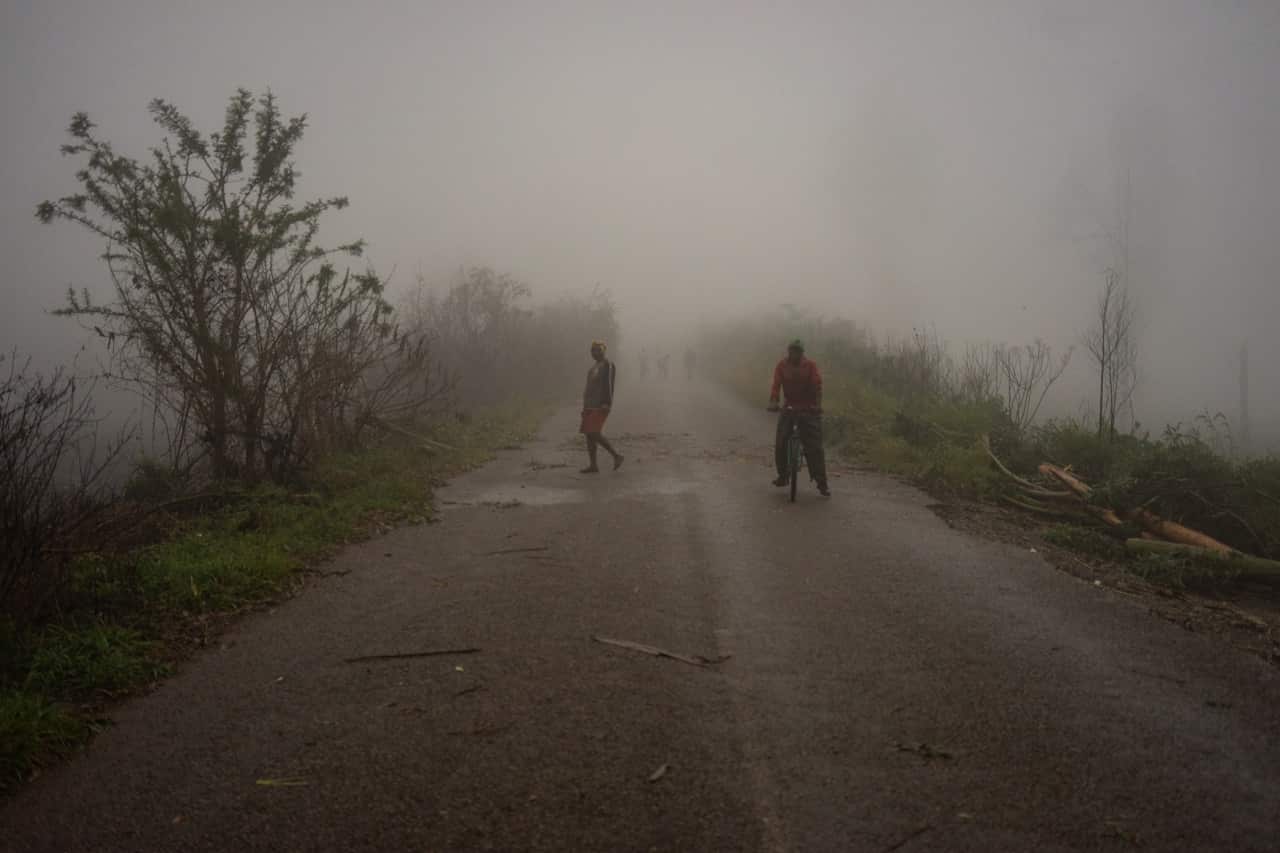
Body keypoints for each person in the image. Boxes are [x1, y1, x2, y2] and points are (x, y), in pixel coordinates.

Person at [767, 339, 829, 496]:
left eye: (798, 351)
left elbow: (817, 386)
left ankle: (822, 483)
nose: (795, 354)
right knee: (781, 441)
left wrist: (818, 405)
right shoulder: (781, 366)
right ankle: (783, 476)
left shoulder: (810, 366)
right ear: (789, 351)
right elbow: (776, 386)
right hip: (789, 407)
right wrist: (774, 402)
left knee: (814, 446)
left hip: (808, 408)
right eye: (792, 351)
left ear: (802, 353)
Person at [580, 340, 623, 473]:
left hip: (600, 405)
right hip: (589, 405)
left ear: (604, 351)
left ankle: (616, 456)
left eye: (598, 350)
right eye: (593, 350)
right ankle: (593, 465)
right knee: (589, 434)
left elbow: (608, 385)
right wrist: (585, 405)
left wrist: (607, 403)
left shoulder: (607, 365)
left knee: (593, 432)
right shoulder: (593, 368)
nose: (595, 352)